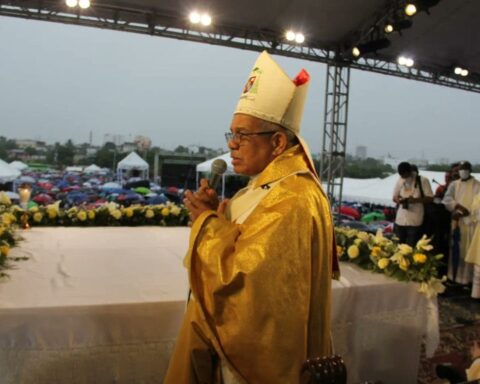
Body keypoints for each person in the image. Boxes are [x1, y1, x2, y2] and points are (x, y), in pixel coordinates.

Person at [164, 51, 337, 384]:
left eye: (243, 135)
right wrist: (218, 214)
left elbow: (247, 282)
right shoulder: (259, 189)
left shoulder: (294, 196)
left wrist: (207, 224)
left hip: (252, 367)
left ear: (277, 142)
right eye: (231, 135)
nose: (232, 146)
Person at [443, 161, 480, 294]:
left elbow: (477, 204)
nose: (463, 171)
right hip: (456, 221)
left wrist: (467, 213)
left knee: (468, 250)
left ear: (470, 170)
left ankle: (467, 280)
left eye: (465, 169)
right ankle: (454, 277)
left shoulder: (477, 185)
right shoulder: (454, 184)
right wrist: (456, 208)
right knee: (455, 249)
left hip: (470, 223)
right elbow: (447, 199)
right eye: (461, 169)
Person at [392, 162, 433, 247]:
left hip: (415, 219)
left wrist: (415, 200)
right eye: (401, 175)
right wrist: (399, 200)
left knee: (411, 246)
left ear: (410, 172)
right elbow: (394, 197)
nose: (403, 177)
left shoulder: (423, 180)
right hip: (401, 219)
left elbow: (430, 198)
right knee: (398, 246)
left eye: (405, 175)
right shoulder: (400, 180)